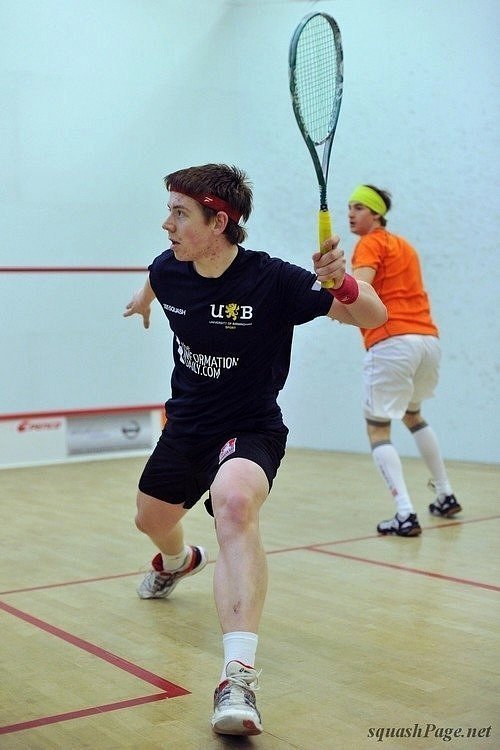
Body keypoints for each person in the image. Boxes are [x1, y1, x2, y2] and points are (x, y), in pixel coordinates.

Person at [123, 163, 387, 737]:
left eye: (179, 213)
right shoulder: (169, 268)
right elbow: (156, 278)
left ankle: (237, 677)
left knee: (235, 502)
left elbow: (372, 314)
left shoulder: (273, 281)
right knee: (150, 519)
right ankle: (178, 562)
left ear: (219, 222)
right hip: (186, 428)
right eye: (169, 210)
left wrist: (342, 283)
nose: (167, 223)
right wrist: (142, 300)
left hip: (251, 426)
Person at [348, 184, 462, 538]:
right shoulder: (405, 246)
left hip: (392, 342)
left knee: (378, 428)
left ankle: (405, 513)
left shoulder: (369, 243)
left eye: (359, 207)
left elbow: (359, 291)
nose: (351, 213)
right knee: (413, 415)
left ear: (376, 214)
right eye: (349, 207)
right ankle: (445, 494)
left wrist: (329, 288)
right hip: (427, 341)